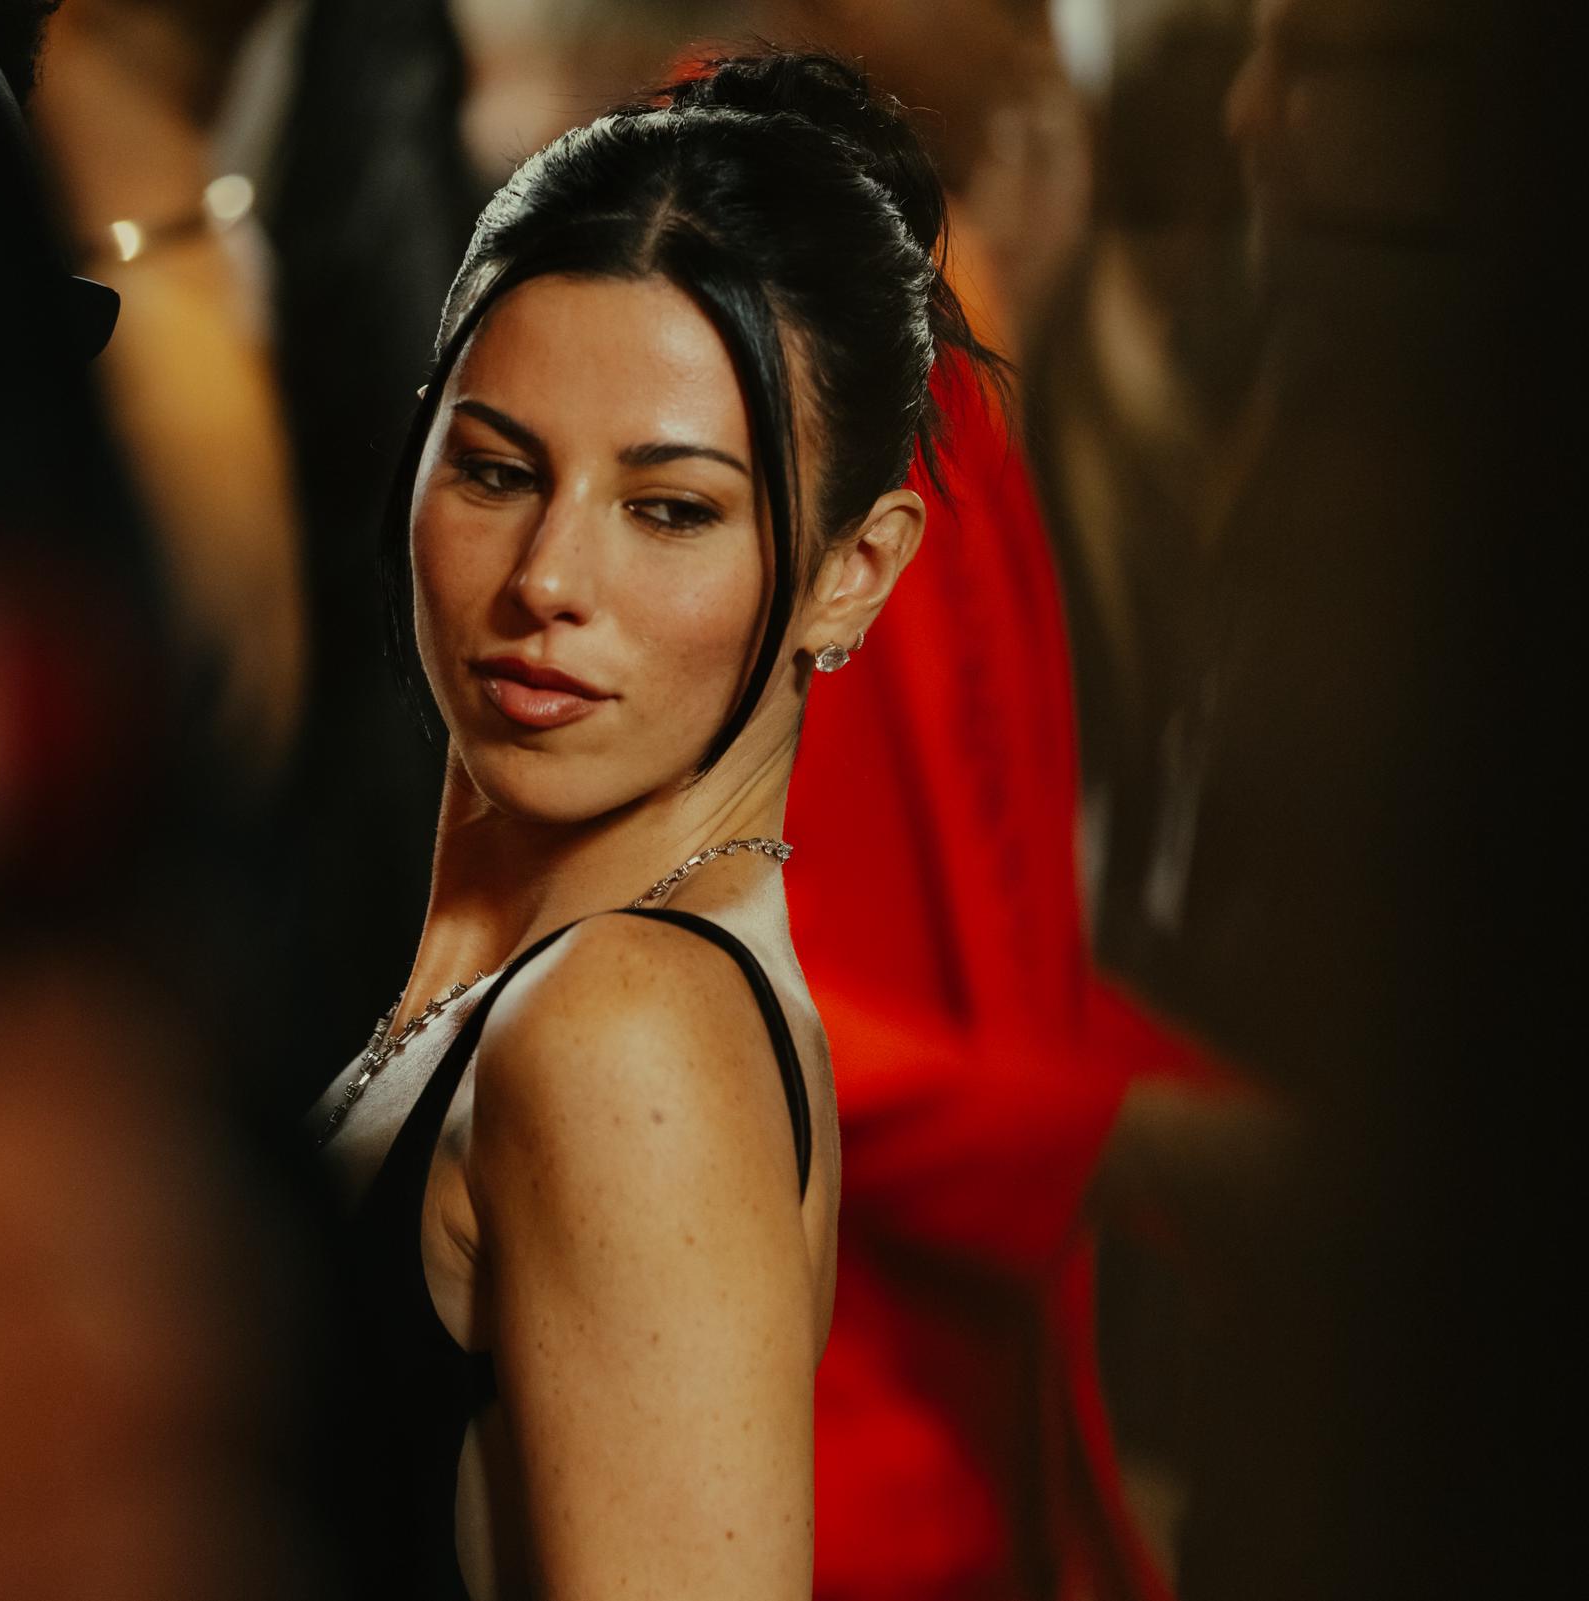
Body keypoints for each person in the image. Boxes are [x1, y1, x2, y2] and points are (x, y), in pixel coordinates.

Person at [302, 48, 985, 1599]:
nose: (548, 575)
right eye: (494, 467)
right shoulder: (546, 985)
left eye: (669, 506)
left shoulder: (627, 1031)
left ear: (853, 569)